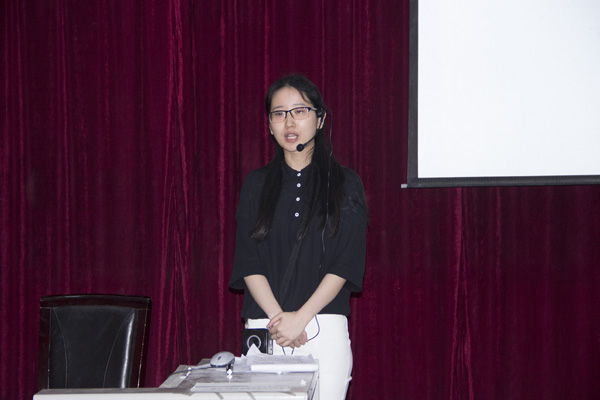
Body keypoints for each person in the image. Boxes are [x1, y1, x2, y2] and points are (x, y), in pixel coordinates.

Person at [229, 74, 368, 399]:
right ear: (269, 125)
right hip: (267, 327)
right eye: (279, 113)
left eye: (300, 111)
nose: (289, 122)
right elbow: (249, 261)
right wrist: (280, 322)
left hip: (324, 326)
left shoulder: (345, 184)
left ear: (320, 119)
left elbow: (346, 262)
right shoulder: (255, 185)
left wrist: (300, 319)